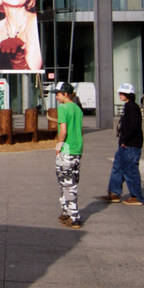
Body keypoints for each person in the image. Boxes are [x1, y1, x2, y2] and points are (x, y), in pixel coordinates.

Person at [101, 83, 144, 205]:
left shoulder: (132, 107)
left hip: (130, 145)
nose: (120, 95)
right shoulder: (128, 106)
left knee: (130, 170)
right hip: (125, 144)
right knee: (118, 168)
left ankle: (136, 196)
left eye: (122, 93)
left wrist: (125, 140)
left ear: (128, 94)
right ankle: (114, 192)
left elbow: (134, 126)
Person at [54, 82, 84, 229]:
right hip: (77, 149)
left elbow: (63, 131)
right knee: (70, 180)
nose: (56, 96)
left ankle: (74, 216)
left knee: (66, 183)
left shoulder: (63, 108)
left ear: (65, 94)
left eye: (58, 93)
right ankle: (66, 212)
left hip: (67, 149)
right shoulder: (78, 109)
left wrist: (59, 145)